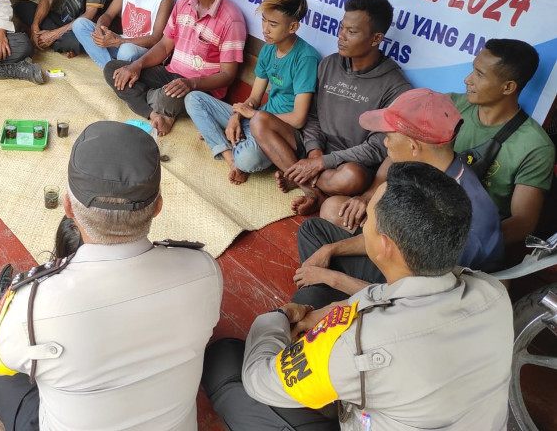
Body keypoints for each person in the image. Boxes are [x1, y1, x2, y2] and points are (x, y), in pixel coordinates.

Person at [202, 161, 513, 431]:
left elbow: (262, 381)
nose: (362, 223)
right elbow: (387, 297)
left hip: (359, 401)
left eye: (369, 220)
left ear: (384, 244)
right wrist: (329, 312)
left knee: (225, 360)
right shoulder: (492, 291)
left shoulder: (360, 344)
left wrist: (278, 317)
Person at [0, 121, 223, 430]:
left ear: (68, 208)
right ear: (157, 207)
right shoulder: (203, 270)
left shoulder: (32, 305)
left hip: (29, 332)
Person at [292, 88, 505, 309]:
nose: (385, 144)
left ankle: (321, 303)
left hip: (425, 300)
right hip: (403, 265)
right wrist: (330, 250)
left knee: (309, 300)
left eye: (388, 136)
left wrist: (331, 279)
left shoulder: (456, 219)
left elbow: (412, 304)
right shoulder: (421, 172)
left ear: (413, 146)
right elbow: (390, 236)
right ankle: (324, 298)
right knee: (313, 231)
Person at [262, 0, 411, 214]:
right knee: (260, 121)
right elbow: (312, 117)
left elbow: (376, 149)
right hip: (313, 149)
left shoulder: (395, 87)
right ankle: (312, 191)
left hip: (347, 164)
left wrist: (323, 162)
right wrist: (314, 153)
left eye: (352, 32)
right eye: (342, 28)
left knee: (352, 177)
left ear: (376, 38)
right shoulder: (329, 64)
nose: (341, 36)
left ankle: (298, 175)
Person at [105, 0, 246, 136]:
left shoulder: (231, 19)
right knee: (114, 70)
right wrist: (136, 66)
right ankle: (155, 114)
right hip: (170, 74)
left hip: (200, 90)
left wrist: (192, 84)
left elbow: (227, 75)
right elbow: (164, 46)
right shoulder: (183, 4)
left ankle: (154, 102)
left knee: (166, 99)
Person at [185, 0, 319, 184]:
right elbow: (255, 98)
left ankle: (228, 144)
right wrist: (237, 116)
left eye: (273, 24)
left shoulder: (305, 57)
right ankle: (232, 158)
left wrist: (253, 116)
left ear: (293, 27)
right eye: (264, 20)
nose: (265, 29)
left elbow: (299, 119)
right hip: (256, 122)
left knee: (247, 159)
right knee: (193, 98)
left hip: (279, 134)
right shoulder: (268, 50)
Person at [450, 39, 555, 245]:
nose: (467, 80)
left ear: (508, 87)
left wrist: (462, 245)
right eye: (473, 70)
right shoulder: (450, 105)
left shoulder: (535, 146)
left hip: (471, 241)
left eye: (479, 74)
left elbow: (523, 222)